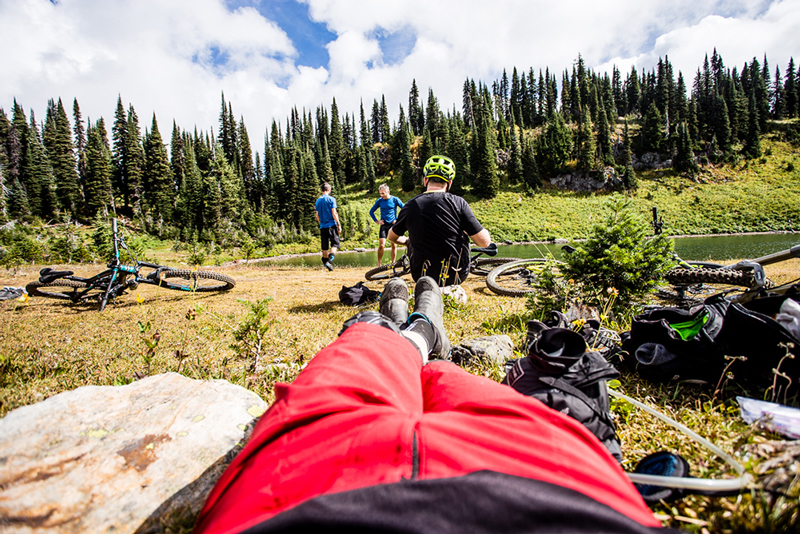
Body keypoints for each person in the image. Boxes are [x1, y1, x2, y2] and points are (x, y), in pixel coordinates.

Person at [194, 277, 667, 534]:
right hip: (549, 482)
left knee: (366, 349)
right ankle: (418, 330)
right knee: (442, 377)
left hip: (297, 487)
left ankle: (394, 326)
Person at [389, 155, 491, 286]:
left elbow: (392, 237)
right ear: (449, 183)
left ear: (425, 181)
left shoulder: (410, 205)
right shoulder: (458, 203)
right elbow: (484, 242)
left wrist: (409, 242)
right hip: (456, 275)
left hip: (421, 276)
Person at [369, 183, 405, 266]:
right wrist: (376, 221)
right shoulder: (379, 201)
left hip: (392, 225)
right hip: (384, 225)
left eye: (383, 193)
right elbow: (371, 211)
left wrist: (398, 220)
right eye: (380, 193)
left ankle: (393, 263)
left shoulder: (395, 199)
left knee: (393, 244)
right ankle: (379, 264)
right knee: (381, 245)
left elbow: (404, 208)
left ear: (387, 192)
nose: (381, 195)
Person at [314, 182, 342, 271]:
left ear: (322, 190)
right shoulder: (331, 199)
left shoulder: (318, 201)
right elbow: (334, 212)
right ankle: (329, 262)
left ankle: (326, 263)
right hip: (331, 225)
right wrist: (338, 224)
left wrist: (321, 222)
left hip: (322, 226)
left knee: (324, 246)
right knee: (335, 244)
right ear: (328, 190)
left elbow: (317, 215)